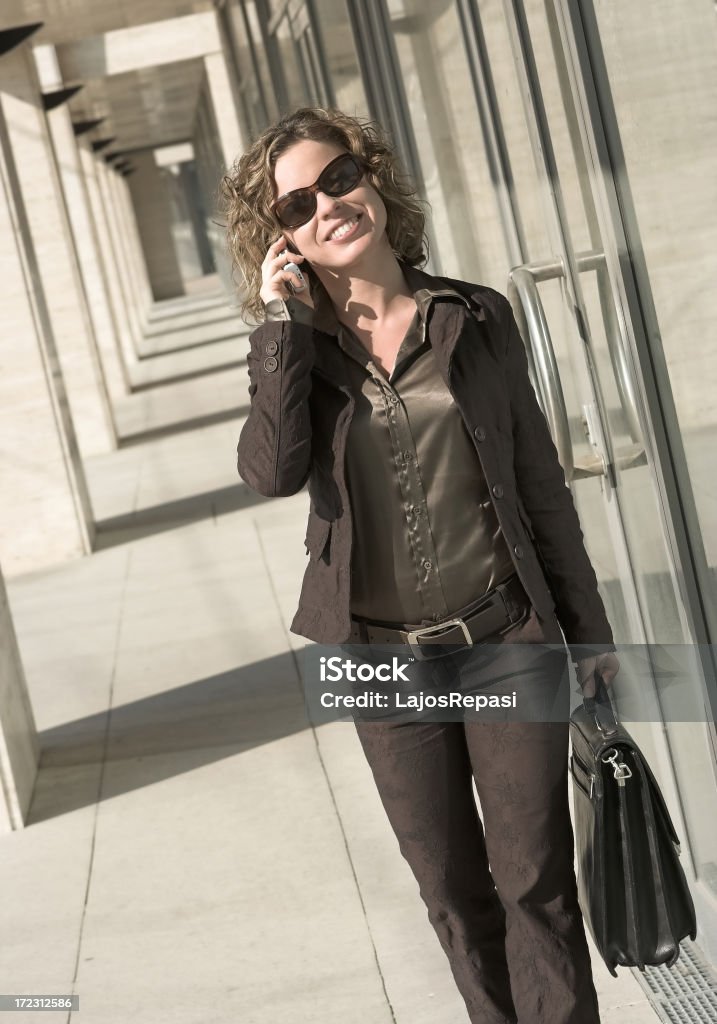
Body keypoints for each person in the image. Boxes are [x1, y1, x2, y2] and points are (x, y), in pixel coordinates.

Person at [221, 105, 620, 1024]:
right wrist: (281, 326)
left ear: (371, 179)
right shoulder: (296, 352)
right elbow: (269, 472)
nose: (326, 207)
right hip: (380, 664)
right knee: (452, 895)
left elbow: (539, 484)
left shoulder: (475, 315)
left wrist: (586, 628)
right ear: (279, 240)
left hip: (503, 635)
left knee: (536, 886)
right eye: (294, 208)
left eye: (337, 179)